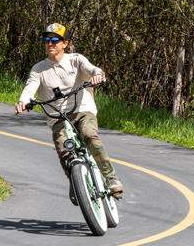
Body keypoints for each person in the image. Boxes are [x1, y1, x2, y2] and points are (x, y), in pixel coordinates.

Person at [14, 22, 123, 199]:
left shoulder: (76, 60)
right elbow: (29, 87)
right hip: (58, 118)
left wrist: (98, 75)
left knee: (89, 135)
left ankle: (110, 177)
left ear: (65, 43)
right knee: (64, 151)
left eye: (55, 40)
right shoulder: (39, 69)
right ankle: (76, 183)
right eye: (47, 40)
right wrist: (23, 101)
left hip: (82, 111)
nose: (50, 43)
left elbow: (93, 69)